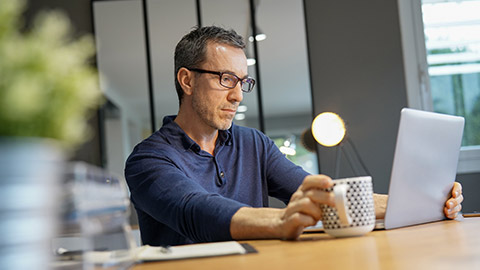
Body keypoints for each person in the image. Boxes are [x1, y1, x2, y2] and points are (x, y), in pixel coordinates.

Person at [125, 26, 463, 246]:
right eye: (226, 79)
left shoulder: (253, 143)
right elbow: (195, 212)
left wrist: (426, 202)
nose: (238, 95)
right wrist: (280, 221)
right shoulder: (148, 160)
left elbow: (321, 194)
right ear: (187, 80)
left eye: (243, 82)